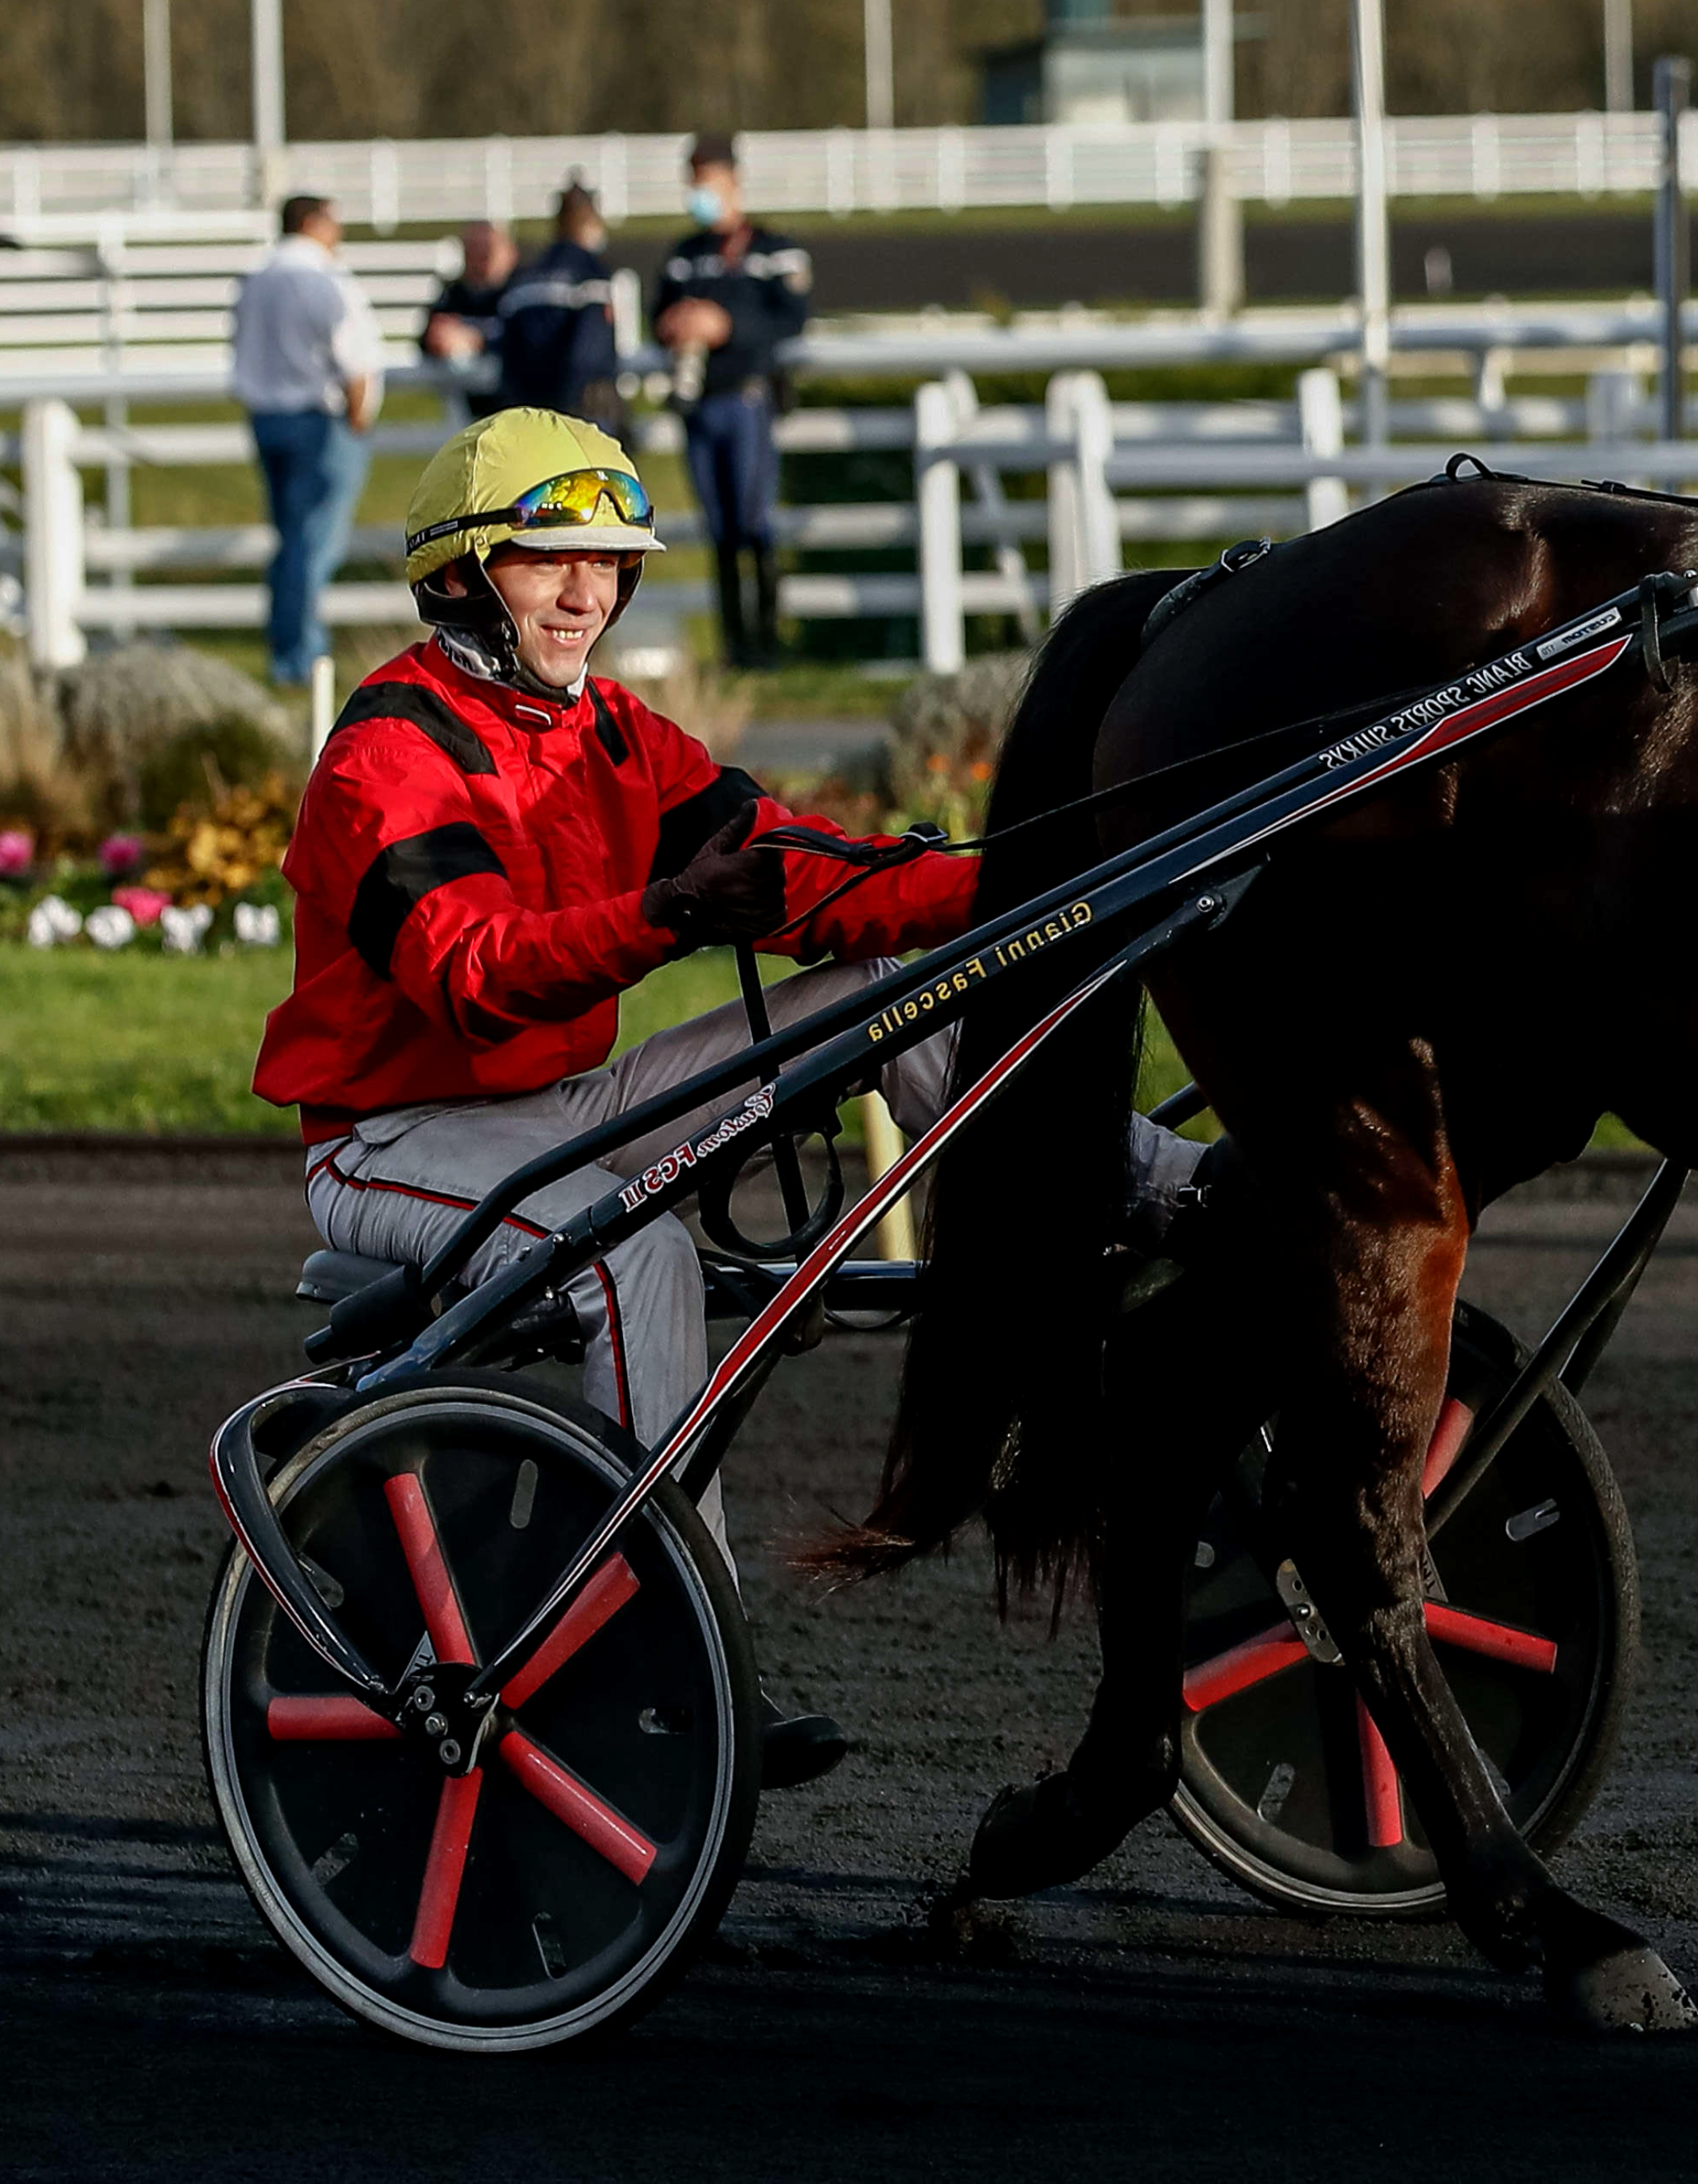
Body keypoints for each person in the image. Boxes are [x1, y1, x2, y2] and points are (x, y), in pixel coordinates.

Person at [252, 408, 1204, 1786]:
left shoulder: (615, 737)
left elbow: (815, 876)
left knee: (892, 983)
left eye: (611, 565)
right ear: (461, 574)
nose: (589, 594)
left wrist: (1029, 879)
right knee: (629, 1248)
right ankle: (679, 1649)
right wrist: (664, 915)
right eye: (549, 561)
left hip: (565, 1104)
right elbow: (471, 977)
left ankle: (1149, 1182)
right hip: (394, 1140)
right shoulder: (386, 755)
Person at [654, 133, 812, 670]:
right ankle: (735, 645)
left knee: (753, 521)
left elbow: (791, 318)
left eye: (708, 180)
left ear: (733, 182)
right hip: (701, 405)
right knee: (719, 527)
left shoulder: (773, 248)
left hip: (748, 400)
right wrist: (673, 324)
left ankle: (767, 641)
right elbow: (659, 315)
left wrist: (728, 327)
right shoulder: (685, 255)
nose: (699, 193)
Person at [229, 193, 386, 688]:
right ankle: (299, 653)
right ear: (313, 223)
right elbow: (351, 352)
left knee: (291, 537)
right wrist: (360, 413)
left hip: (267, 415)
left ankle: (286, 642)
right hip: (314, 418)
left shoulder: (257, 279)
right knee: (312, 539)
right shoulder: (319, 276)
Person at [496, 181, 627, 431]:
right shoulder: (591, 272)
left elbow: (507, 347)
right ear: (590, 221)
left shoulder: (526, 276)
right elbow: (590, 349)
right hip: (578, 411)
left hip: (526, 414)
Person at [418, 220, 517, 365]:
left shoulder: (521, 295)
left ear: (510, 253)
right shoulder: (452, 296)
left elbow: (528, 341)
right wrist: (439, 341)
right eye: (472, 250)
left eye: (487, 251)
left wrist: (478, 341)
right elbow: (429, 340)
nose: (478, 259)